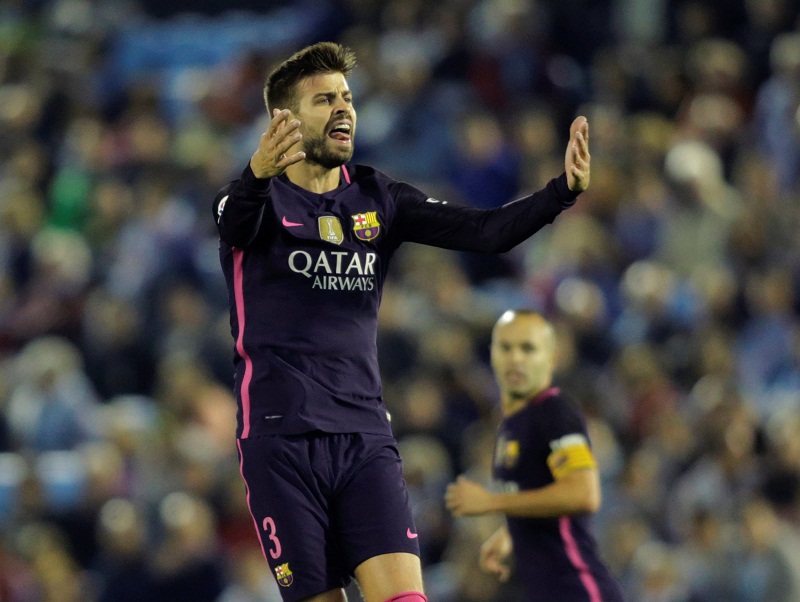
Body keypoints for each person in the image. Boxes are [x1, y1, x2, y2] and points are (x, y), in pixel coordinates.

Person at [212, 41, 591, 602]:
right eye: (324, 100)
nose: (344, 109)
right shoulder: (249, 202)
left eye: (347, 97)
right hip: (279, 438)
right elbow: (234, 222)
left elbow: (485, 232)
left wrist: (561, 192)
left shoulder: (377, 197)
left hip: (365, 435)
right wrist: (254, 175)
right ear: (283, 122)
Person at [445, 310, 624, 601]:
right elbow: (539, 499)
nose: (515, 358)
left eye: (527, 348)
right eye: (506, 348)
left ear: (550, 358)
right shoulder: (513, 424)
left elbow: (583, 494)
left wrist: (491, 502)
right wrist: (509, 536)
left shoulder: (555, 413)